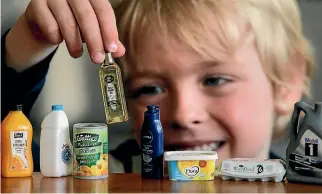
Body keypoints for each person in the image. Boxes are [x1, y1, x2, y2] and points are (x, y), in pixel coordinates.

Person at [1, 0, 316, 173]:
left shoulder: (306, 180)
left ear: (287, 81)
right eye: (149, 89)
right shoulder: (102, 172)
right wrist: (26, 43)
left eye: (215, 80)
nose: (183, 114)